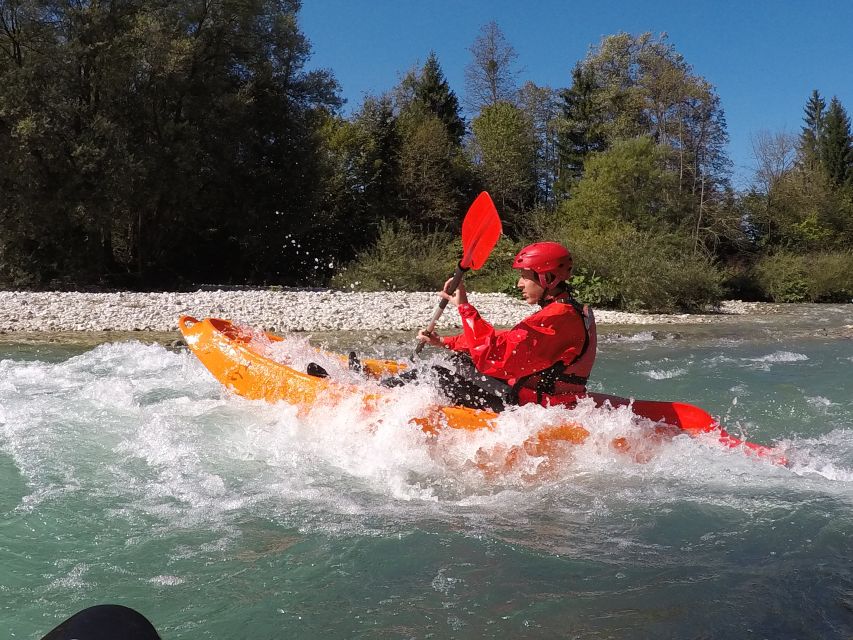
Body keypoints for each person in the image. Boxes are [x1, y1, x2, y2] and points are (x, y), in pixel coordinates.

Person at [416, 241, 596, 410]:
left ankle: (392, 393)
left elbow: (494, 355)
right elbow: (508, 340)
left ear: (547, 278)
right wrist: (445, 341)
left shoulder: (557, 317)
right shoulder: (569, 311)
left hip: (531, 408)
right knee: (462, 361)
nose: (519, 284)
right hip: (544, 399)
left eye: (525, 277)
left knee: (437, 375)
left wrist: (465, 308)